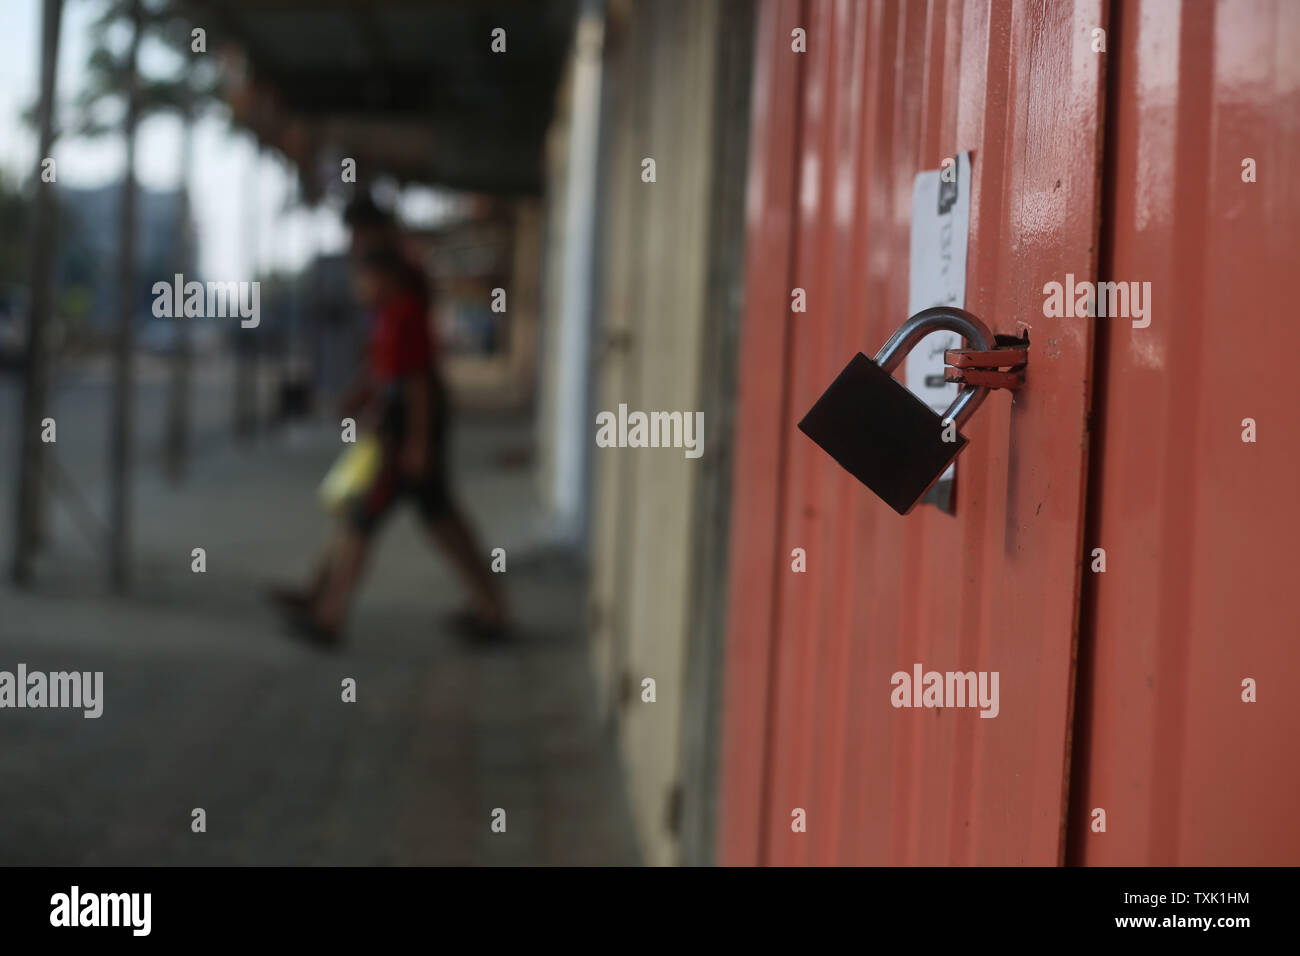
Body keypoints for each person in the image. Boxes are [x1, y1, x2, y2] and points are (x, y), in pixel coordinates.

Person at [271, 205, 508, 648]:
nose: (358, 286)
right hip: (399, 427)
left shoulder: (405, 305)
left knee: (365, 517)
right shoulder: (390, 309)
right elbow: (386, 367)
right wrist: (363, 394)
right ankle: (491, 607)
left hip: (406, 431)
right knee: (432, 519)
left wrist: (416, 441)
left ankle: (330, 615)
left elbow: (416, 381)